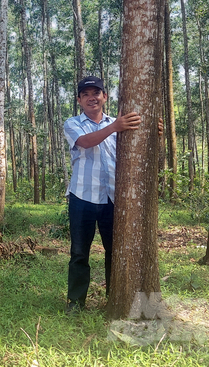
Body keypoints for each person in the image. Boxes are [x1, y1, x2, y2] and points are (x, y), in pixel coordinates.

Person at [63, 76, 150, 313]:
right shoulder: (73, 123)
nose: (92, 98)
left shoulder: (121, 123)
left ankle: (115, 299)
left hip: (113, 199)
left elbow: (138, 147)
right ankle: (76, 302)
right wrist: (113, 128)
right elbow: (85, 142)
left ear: (105, 97)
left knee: (115, 250)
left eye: (96, 93)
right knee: (79, 252)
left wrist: (154, 132)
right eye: (86, 94)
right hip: (82, 197)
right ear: (79, 99)